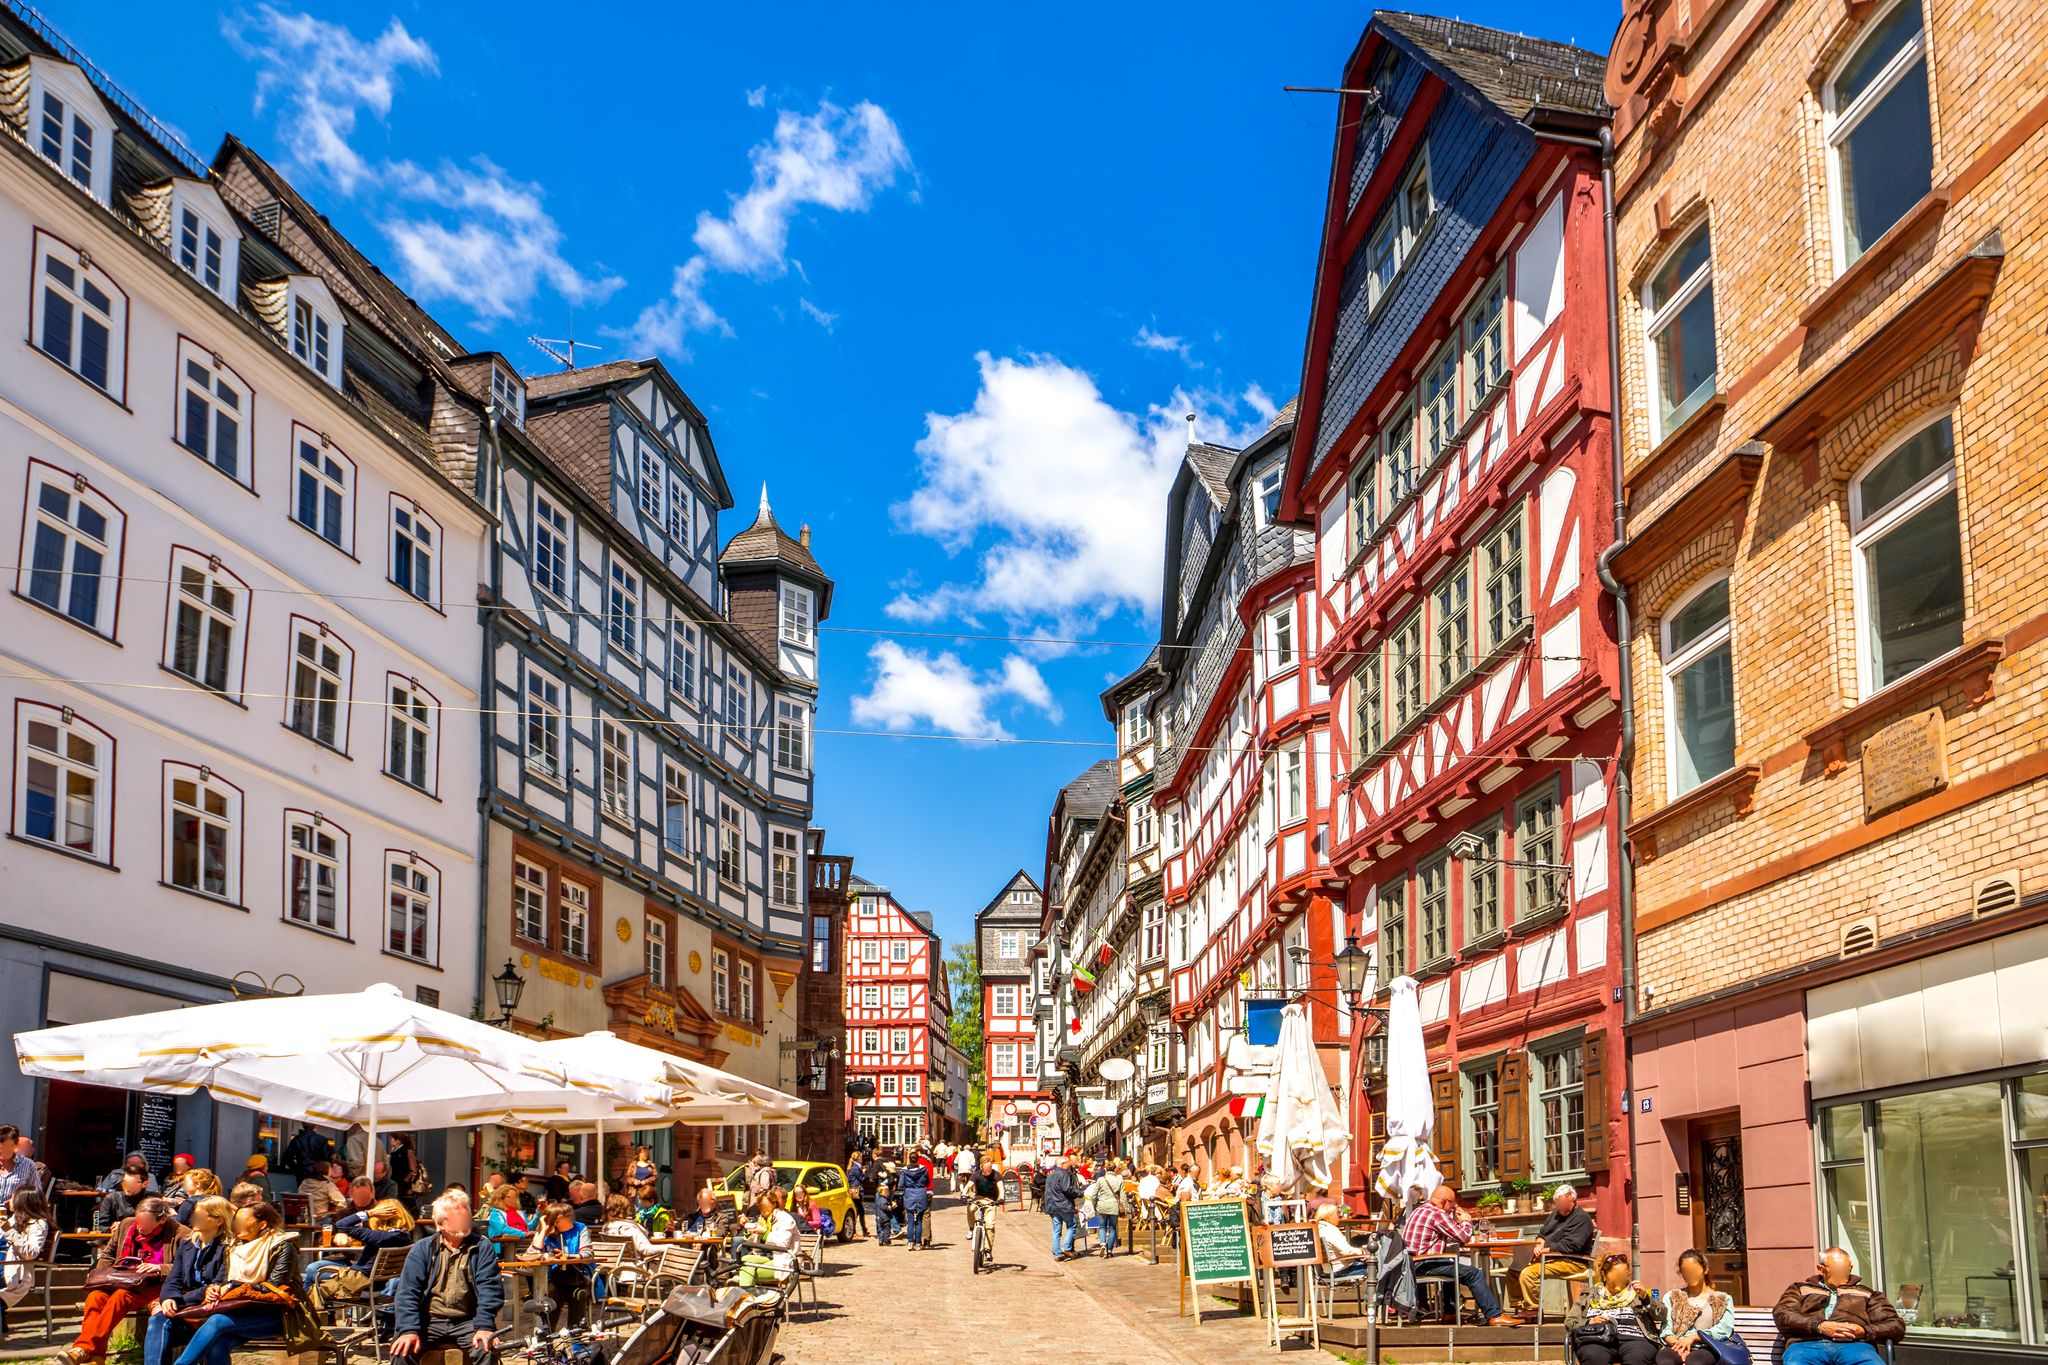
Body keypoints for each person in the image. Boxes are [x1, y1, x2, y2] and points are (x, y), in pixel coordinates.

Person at [390, 1191, 502, 1365]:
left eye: (466, 1219)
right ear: (440, 1224)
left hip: (467, 1321)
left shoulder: (482, 1246)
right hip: (428, 1320)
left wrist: (484, 1326)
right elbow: (407, 1293)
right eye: (458, 1220)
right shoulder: (423, 1248)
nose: (465, 1225)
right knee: (402, 1352)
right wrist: (408, 1329)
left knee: (487, 1350)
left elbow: (490, 1290)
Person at [66, 1194, 178, 1362]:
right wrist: (103, 1278)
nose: (139, 1227)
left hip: (153, 1284)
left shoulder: (179, 1233)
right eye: (138, 1221)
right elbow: (108, 1255)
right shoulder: (126, 1225)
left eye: (145, 1224)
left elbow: (184, 1267)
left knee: (121, 1297)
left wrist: (159, 1267)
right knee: (95, 1297)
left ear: (161, 1220)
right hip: (122, 1279)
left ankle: (83, 1348)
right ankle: (96, 1356)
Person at [1401, 1184, 1516, 1325]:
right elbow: (1463, 1237)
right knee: (1473, 1273)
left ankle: (1450, 1314)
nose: (1452, 1209)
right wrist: (1466, 1221)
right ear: (1444, 1202)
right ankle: (1494, 1315)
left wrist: (1456, 1222)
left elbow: (1449, 1234)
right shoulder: (1437, 1214)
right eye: (1452, 1206)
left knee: (1452, 1267)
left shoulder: (1420, 1210)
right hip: (1424, 1263)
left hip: (1412, 1264)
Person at [1771, 1247, 1904, 1365]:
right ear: (1821, 1269)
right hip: (1807, 1343)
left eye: (1847, 1269)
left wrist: (1863, 1330)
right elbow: (1783, 1313)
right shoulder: (1800, 1289)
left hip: (1854, 1345)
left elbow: (1895, 1325)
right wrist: (1819, 1326)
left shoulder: (1866, 1293)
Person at [141, 1195, 229, 1365]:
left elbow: (215, 1286)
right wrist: (168, 1298)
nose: (192, 1217)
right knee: (158, 1321)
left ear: (218, 1220)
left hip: (209, 1311)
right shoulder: (188, 1245)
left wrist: (179, 1301)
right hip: (186, 1307)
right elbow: (174, 1278)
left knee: (214, 1342)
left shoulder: (227, 1249)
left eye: (199, 1214)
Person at [1565, 1254, 1665, 1365]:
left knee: (1637, 1358)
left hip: (1635, 1339)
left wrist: (1645, 1298)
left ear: (1629, 1275)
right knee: (1593, 1357)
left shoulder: (1638, 1293)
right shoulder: (1589, 1295)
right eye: (1615, 1278)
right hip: (1597, 1340)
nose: (1619, 1282)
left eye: (1623, 1276)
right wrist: (1589, 1322)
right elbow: (1570, 1322)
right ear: (1604, 1275)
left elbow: (1661, 1315)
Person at [1514, 1184, 1597, 1318]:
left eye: (1564, 1205)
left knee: (1528, 1273)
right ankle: (1520, 1305)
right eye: (1558, 1204)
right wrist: (1538, 1245)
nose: (1561, 1209)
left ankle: (1533, 1309)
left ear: (1573, 1201)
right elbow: (1542, 1234)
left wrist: (1545, 1250)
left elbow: (1571, 1246)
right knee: (1515, 1270)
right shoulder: (1555, 1214)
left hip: (1573, 1261)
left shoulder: (1581, 1218)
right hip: (1551, 1257)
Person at [1660, 1249, 1737, 1365]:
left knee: (1696, 1362)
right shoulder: (1671, 1297)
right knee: (1666, 1360)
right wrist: (1679, 1345)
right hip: (1676, 1344)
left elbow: (1724, 1329)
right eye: (1685, 1271)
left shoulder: (1722, 1299)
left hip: (1706, 1346)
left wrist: (1693, 1338)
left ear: (1705, 1269)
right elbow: (1666, 1329)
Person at [528, 1202, 590, 1330]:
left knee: (579, 1294)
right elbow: (531, 1254)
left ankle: (576, 1340)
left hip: (577, 1276)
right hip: (553, 1278)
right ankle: (547, 1339)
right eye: (563, 1217)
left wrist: (568, 1256)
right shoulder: (545, 1233)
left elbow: (587, 1254)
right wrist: (544, 1230)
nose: (570, 1219)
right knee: (551, 1296)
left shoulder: (580, 1229)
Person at [1, 1190, 53, 1337]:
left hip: (12, 1271)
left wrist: (9, 1231)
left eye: (12, 1197)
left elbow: (31, 1253)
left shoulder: (38, 1224)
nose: (9, 1200)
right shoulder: (12, 1219)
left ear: (22, 1201)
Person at [734, 1191, 798, 1289]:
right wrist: (748, 1229)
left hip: (784, 1259)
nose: (763, 1211)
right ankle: (749, 1297)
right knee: (744, 1261)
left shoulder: (785, 1219)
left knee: (746, 1268)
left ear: (774, 1204)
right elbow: (753, 1244)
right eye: (760, 1207)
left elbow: (783, 1244)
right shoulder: (762, 1219)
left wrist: (764, 1233)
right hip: (763, 1257)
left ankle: (745, 1297)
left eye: (765, 1206)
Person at [1313, 1205, 1373, 1283]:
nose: (1339, 1216)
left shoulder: (1317, 1229)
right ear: (1330, 1216)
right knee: (1375, 1268)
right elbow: (1346, 1252)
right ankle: (1375, 1295)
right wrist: (1362, 1253)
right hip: (1341, 1271)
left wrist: (1358, 1257)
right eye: (1337, 1214)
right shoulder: (1331, 1230)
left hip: (1326, 1270)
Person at [1043, 1153, 1081, 1261]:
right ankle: (1067, 1247)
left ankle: (1057, 1254)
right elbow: (1067, 1189)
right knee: (1072, 1225)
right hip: (1063, 1205)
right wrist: (1078, 1193)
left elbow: (1047, 1192)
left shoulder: (1050, 1176)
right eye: (1068, 1163)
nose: (1069, 1165)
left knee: (1056, 1230)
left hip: (1053, 1206)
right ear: (1063, 1164)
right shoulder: (1064, 1175)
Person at [1085, 1162, 1124, 1258]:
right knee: (1112, 1228)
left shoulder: (1100, 1180)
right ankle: (1109, 1250)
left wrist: (1094, 1206)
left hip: (1102, 1205)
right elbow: (1123, 1197)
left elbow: (1094, 1195)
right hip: (1114, 1206)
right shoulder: (1119, 1180)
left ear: (1105, 1169)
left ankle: (1102, 1243)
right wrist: (1125, 1209)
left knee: (1102, 1227)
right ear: (1114, 1169)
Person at [898, 1154, 932, 1250]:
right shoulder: (923, 1169)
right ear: (918, 1159)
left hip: (909, 1194)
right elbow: (927, 1182)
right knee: (919, 1220)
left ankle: (910, 1242)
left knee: (911, 1220)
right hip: (921, 1193)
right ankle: (918, 1243)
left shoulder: (904, 1171)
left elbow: (901, 1184)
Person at [842, 1152, 868, 1239]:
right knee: (858, 1211)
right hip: (855, 1191)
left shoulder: (851, 1166)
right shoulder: (856, 1167)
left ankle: (863, 1230)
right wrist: (864, 1172)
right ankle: (855, 1231)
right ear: (859, 1158)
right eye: (861, 1157)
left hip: (853, 1190)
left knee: (859, 1210)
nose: (862, 1159)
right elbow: (861, 1178)